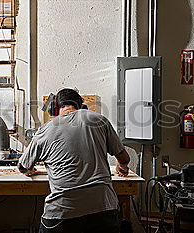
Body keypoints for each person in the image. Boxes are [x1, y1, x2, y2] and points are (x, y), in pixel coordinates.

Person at [18, 88, 130, 233]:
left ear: (55, 109)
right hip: (103, 208)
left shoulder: (45, 130)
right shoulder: (98, 120)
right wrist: (122, 166)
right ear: (81, 106)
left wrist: (31, 170)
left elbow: (23, 167)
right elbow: (124, 157)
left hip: (62, 213)